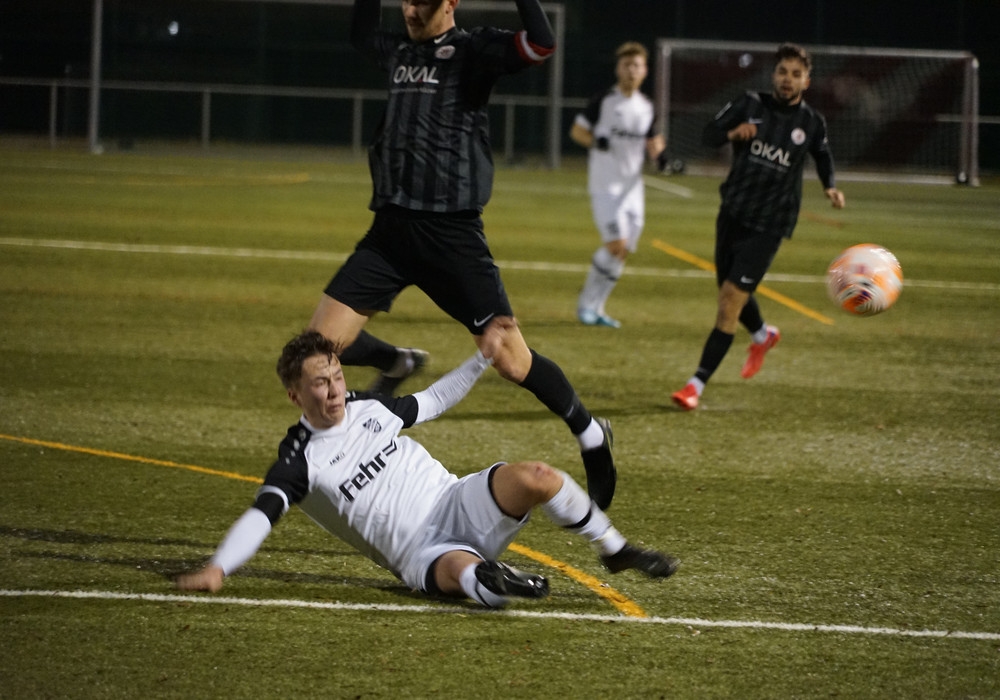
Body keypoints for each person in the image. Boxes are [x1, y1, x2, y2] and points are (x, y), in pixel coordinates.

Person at [308, 0, 618, 509]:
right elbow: (361, 34)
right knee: (315, 353)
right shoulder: (399, 50)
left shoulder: (473, 51)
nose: (411, 9)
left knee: (513, 361)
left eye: (423, 1)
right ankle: (394, 360)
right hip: (389, 234)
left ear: (451, 2)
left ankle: (590, 435)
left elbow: (541, 44)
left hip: (451, 236)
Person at [175, 329, 679, 607]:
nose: (334, 391)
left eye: (337, 376)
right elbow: (262, 514)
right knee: (468, 575)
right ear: (295, 395)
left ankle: (615, 550)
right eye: (320, 384)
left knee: (538, 477)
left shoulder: (369, 407)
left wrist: (481, 360)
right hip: (421, 551)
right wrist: (218, 567)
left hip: (456, 500)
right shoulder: (299, 458)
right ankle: (496, 581)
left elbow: (434, 399)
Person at [671, 43, 846, 411]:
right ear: (773, 75)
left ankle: (694, 385)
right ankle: (763, 335)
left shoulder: (811, 122)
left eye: (796, 74)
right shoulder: (749, 103)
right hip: (733, 212)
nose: (788, 79)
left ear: (806, 81)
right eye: (782, 72)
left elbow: (822, 154)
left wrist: (830, 185)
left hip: (771, 223)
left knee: (729, 303)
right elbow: (708, 136)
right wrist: (733, 133)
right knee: (730, 290)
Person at [570, 41, 668, 329]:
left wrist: (661, 157)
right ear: (618, 69)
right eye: (627, 65)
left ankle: (597, 308)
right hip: (605, 187)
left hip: (633, 191)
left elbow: (653, 140)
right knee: (616, 245)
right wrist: (595, 141)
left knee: (622, 252)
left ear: (645, 71)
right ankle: (586, 305)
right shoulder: (604, 101)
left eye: (637, 65)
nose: (631, 70)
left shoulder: (646, 107)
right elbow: (577, 131)